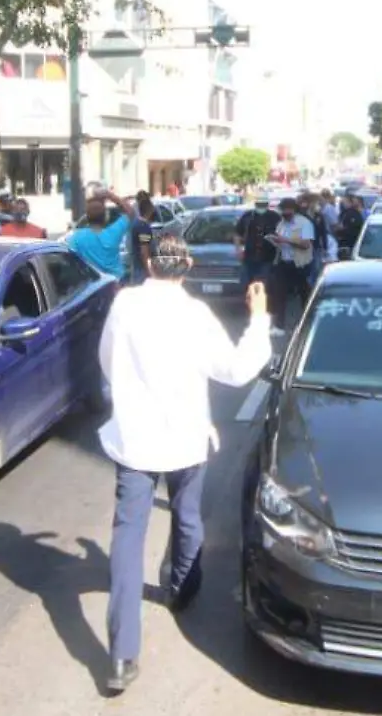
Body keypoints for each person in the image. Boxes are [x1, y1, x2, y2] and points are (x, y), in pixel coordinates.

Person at [98, 235, 273, 695]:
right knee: (187, 517)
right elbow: (236, 371)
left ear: (146, 261)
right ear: (188, 265)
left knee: (127, 537)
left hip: (135, 439)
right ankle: (181, 587)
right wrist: (257, 321)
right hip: (185, 439)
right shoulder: (196, 315)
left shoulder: (125, 305)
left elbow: (105, 360)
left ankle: (121, 655)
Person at [66, 188, 135, 280]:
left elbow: (70, 261)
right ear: (105, 217)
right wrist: (110, 195)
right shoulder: (114, 232)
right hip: (116, 284)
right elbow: (131, 212)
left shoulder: (76, 238)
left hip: (93, 286)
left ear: (87, 217)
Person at [270, 197, 316, 331]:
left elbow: (306, 244)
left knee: (304, 295)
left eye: (286, 210)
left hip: (300, 264)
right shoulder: (281, 224)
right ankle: (279, 325)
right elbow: (280, 240)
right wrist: (275, 241)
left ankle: (307, 324)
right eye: (282, 210)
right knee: (280, 294)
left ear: (293, 210)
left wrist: (287, 240)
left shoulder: (304, 223)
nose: (284, 212)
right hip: (284, 262)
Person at [234, 197, 280, 290]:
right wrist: (238, 250)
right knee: (247, 285)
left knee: (263, 285)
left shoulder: (274, 217)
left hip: (268, 257)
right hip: (249, 256)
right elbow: (237, 234)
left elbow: (282, 234)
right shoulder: (248, 216)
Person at [129, 192, 157, 284]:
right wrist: (150, 271)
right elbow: (144, 250)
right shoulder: (144, 227)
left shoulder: (137, 223)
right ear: (149, 210)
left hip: (137, 268)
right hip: (143, 272)